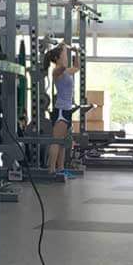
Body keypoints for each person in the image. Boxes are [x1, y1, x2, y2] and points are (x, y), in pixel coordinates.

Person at [45, 43, 80, 178]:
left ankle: (60, 168)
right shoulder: (56, 71)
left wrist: (76, 52)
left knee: (63, 142)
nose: (65, 57)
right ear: (57, 58)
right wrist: (65, 47)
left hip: (67, 110)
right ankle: (52, 170)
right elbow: (64, 65)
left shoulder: (66, 72)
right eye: (63, 55)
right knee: (56, 140)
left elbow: (76, 67)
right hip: (60, 110)